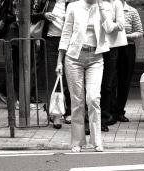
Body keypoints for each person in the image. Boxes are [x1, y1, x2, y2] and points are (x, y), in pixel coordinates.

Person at [56, 0, 119, 152]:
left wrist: (102, 8)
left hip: (96, 58)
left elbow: (110, 29)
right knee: (77, 101)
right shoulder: (73, 6)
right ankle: (77, 142)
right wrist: (59, 61)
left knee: (93, 98)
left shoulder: (104, 7)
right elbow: (66, 34)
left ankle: (96, 140)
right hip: (73, 57)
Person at [31, 0, 73, 129]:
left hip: (69, 43)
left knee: (69, 77)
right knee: (52, 77)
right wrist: (44, 15)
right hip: (50, 42)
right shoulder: (45, 1)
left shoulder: (73, 4)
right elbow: (31, 16)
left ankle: (69, 111)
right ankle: (56, 114)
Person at [110, 0, 143, 124]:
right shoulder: (109, 9)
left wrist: (125, 36)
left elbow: (140, 32)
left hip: (127, 47)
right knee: (111, 81)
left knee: (125, 81)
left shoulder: (132, 11)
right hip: (112, 47)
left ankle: (119, 111)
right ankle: (111, 111)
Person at [100, 0, 126, 132]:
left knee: (107, 84)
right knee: (92, 85)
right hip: (94, 45)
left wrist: (109, 24)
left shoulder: (116, 3)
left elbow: (121, 25)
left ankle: (103, 119)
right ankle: (89, 118)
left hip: (111, 46)